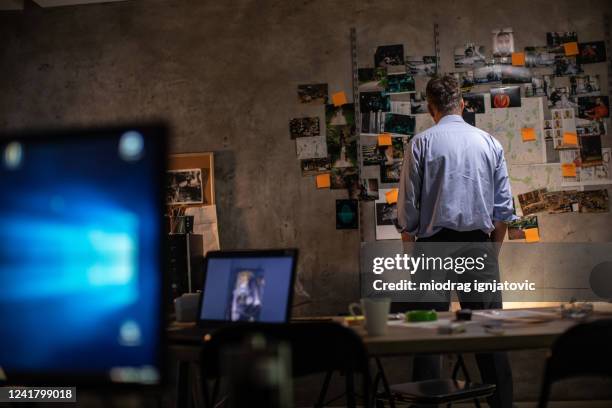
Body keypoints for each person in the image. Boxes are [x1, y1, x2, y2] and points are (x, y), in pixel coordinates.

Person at [396, 75, 515, 408]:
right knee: (490, 336)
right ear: (462, 105)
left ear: (431, 108)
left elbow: (407, 214)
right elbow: (503, 211)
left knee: (427, 337)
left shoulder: (420, 144)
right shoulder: (489, 142)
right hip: (479, 244)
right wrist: (490, 253)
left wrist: (412, 259)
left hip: (432, 248)